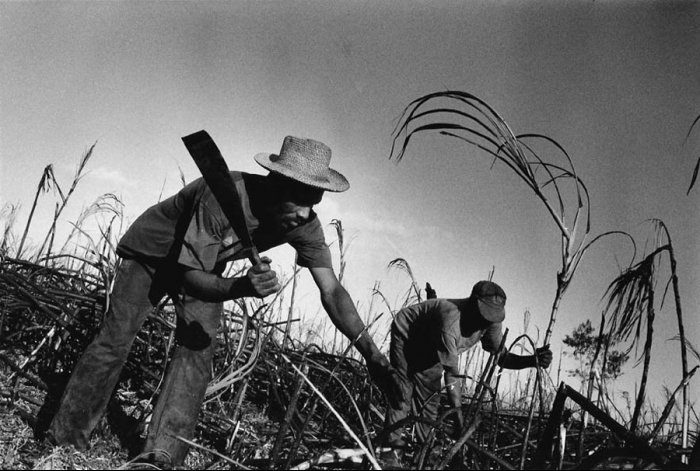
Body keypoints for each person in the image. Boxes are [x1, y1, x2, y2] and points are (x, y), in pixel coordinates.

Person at [47, 135, 402, 465]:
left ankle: (160, 458)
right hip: (151, 256)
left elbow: (332, 290)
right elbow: (188, 276)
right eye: (301, 199)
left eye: (316, 201)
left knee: (197, 352)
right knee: (115, 340)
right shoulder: (224, 193)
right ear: (276, 184)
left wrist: (372, 355)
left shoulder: (304, 223)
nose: (307, 213)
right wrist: (240, 288)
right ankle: (64, 443)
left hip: (203, 264)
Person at [384, 280, 552, 448]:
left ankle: (423, 448)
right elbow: (451, 377)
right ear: (472, 304)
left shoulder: (491, 321)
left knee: (429, 400)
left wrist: (532, 360)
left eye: (490, 317)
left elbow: (501, 357)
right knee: (402, 391)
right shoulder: (450, 321)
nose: (485, 322)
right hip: (408, 333)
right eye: (483, 315)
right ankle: (388, 448)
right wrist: (459, 421)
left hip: (434, 346)